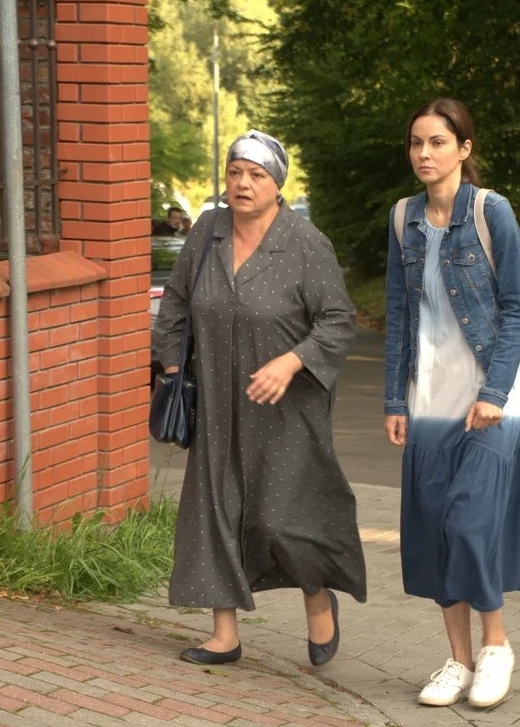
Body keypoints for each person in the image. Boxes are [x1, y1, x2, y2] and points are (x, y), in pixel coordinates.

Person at [152, 129, 366, 667]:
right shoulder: (207, 232)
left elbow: (338, 320)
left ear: (277, 185)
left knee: (281, 517)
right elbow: (175, 302)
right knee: (215, 510)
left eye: (256, 175)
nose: (243, 184)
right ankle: (224, 634)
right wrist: (174, 367)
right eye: (235, 172)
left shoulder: (305, 242)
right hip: (216, 402)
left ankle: (318, 599)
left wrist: (292, 361)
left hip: (286, 406)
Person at [383, 98, 520, 708]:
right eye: (416, 142)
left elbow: (516, 309)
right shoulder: (403, 218)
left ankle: (496, 645)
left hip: (493, 396)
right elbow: (399, 314)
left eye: (438, 142)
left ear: (464, 149)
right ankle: (459, 661)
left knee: (469, 522)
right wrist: (394, 398)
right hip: (430, 395)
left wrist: (494, 393)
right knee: (435, 530)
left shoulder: (490, 211)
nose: (424, 153)